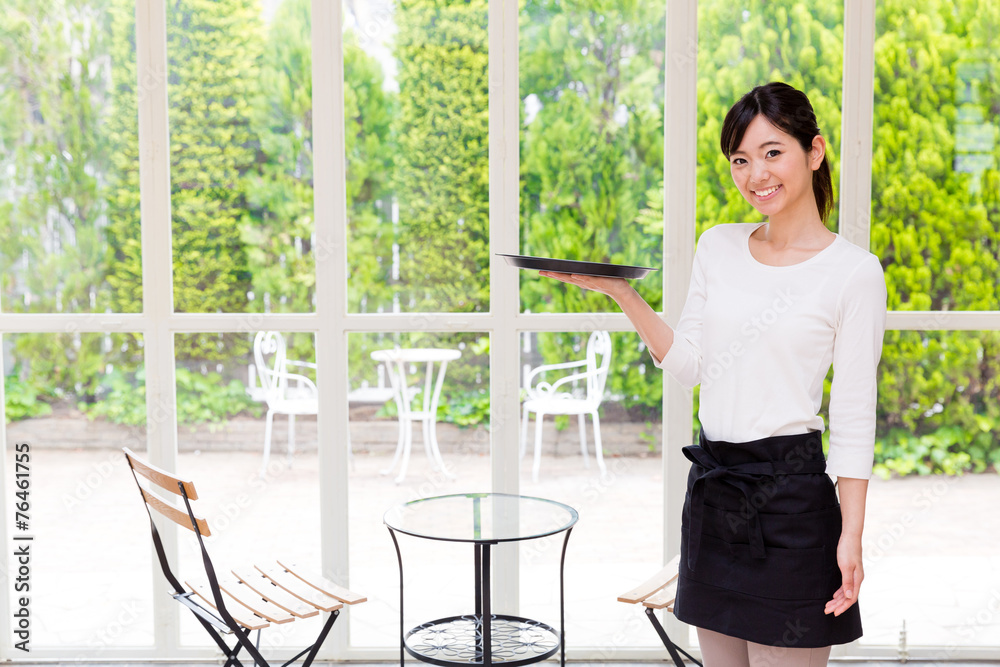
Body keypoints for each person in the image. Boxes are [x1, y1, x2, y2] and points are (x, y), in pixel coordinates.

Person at [540, 81, 887, 666]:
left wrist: (850, 536)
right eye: (740, 160)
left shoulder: (854, 273)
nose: (756, 175)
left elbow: (854, 418)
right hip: (715, 497)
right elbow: (691, 365)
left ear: (815, 151)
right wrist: (624, 296)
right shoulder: (718, 247)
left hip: (793, 504)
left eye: (773, 152)